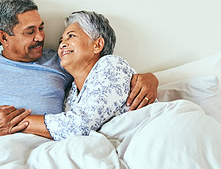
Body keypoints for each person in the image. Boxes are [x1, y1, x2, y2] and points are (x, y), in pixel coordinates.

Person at [0, 0, 158, 146]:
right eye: (30, 32)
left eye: (41, 28)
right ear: (4, 37)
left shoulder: (61, 60)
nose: (41, 38)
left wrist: (149, 78)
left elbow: (99, 75)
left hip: (53, 151)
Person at [19, 10, 138, 140]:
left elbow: (78, 126)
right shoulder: (71, 93)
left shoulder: (112, 65)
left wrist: (17, 122)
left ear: (97, 45)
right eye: (61, 41)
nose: (62, 45)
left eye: (71, 36)